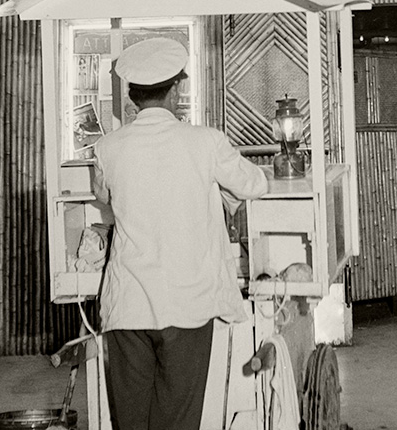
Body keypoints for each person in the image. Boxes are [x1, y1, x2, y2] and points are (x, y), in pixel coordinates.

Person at [91, 37, 268, 430]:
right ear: (175, 91)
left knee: (131, 422)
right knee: (178, 422)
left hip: (129, 307)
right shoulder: (206, 142)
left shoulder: (108, 147)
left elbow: (103, 195)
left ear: (133, 97)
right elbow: (254, 185)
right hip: (187, 308)